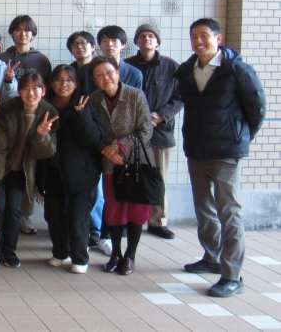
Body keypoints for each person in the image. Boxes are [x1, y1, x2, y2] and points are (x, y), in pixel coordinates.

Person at [175, 18, 265, 298]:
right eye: (194, 36)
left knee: (229, 211)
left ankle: (232, 276)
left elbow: (257, 108)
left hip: (227, 152)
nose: (198, 41)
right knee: (204, 208)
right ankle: (211, 257)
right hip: (196, 149)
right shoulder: (188, 70)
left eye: (204, 35)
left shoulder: (237, 70)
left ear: (218, 38)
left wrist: (239, 138)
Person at [0, 73, 58, 268]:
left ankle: (9, 251)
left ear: (43, 91)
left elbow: (46, 152)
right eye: (25, 88)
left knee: (15, 210)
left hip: (24, 172)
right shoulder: (7, 109)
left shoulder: (49, 112)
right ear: (19, 91)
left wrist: (40, 135)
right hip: (1, 168)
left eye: (35, 88)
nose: (30, 93)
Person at [88, 56, 153, 276]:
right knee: (114, 209)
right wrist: (105, 150)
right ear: (95, 80)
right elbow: (93, 132)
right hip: (110, 163)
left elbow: (146, 130)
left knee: (136, 210)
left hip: (137, 162)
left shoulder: (136, 95)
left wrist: (117, 146)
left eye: (109, 72)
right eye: (99, 75)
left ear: (117, 73)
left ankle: (130, 256)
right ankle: (115, 253)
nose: (105, 77)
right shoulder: (94, 100)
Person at [43, 65, 104, 274]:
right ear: (52, 83)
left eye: (69, 80)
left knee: (77, 216)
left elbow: (94, 139)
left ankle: (80, 257)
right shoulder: (44, 106)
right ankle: (61, 252)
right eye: (59, 79)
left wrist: (82, 115)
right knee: (53, 214)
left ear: (76, 84)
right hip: (53, 170)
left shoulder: (85, 104)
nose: (64, 84)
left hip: (81, 172)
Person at [124, 23, 182, 240]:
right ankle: (129, 220)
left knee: (158, 178)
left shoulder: (171, 66)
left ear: (157, 41)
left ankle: (158, 221)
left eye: (151, 36)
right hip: (131, 130)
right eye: (142, 36)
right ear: (136, 41)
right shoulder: (127, 66)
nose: (147, 39)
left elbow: (180, 96)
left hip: (160, 131)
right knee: (131, 176)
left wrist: (161, 115)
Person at [0, 16, 53, 234]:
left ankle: (25, 217)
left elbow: (47, 92)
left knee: (30, 169)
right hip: (9, 121)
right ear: (12, 33)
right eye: (18, 29)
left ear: (33, 33)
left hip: (35, 121)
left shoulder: (42, 60)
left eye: (27, 30)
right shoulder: (2, 58)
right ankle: (2, 219)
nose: (23, 34)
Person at [77, 26, 143, 95]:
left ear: (123, 44)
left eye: (114, 40)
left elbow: (137, 99)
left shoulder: (134, 73)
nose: (109, 44)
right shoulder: (84, 71)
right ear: (100, 45)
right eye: (105, 41)